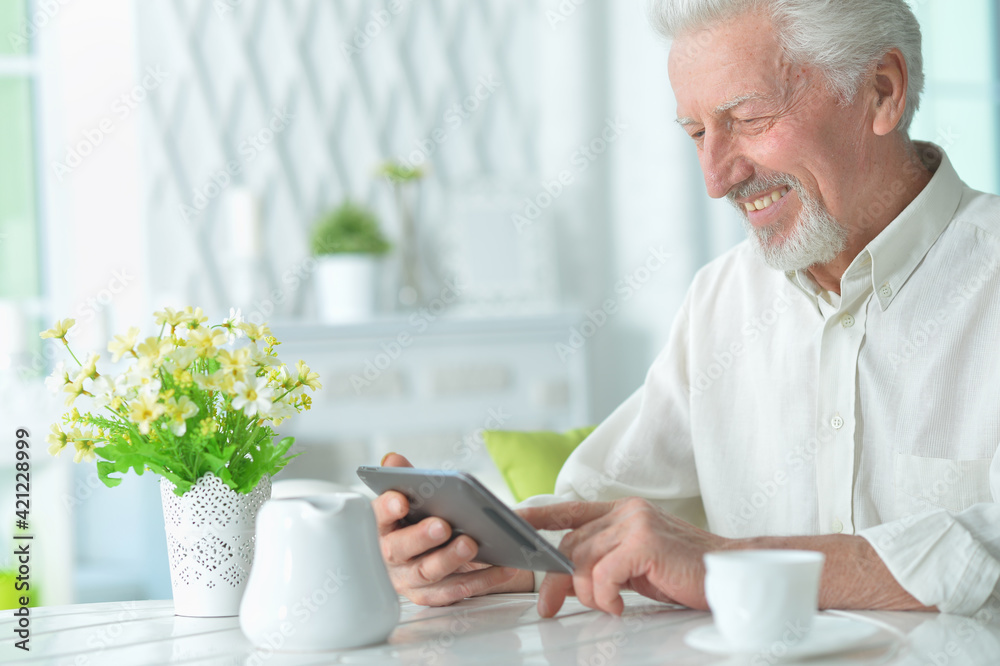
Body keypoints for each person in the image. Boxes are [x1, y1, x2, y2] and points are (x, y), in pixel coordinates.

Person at [374, 0, 1000, 619]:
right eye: (698, 133)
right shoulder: (722, 299)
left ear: (882, 91)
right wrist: (470, 548)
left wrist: (730, 565)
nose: (716, 178)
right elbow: (605, 507)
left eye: (749, 119)